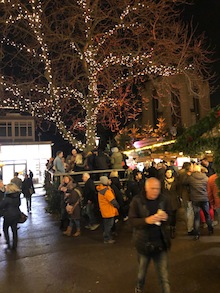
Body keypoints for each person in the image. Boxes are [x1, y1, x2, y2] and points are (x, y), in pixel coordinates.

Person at [129, 177, 171, 293]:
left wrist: (166, 217)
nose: (155, 191)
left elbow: (170, 217)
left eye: (157, 188)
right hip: (144, 244)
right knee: (141, 273)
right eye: (153, 188)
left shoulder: (163, 199)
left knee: (163, 277)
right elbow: (132, 221)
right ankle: (138, 288)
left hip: (160, 244)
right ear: (146, 188)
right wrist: (147, 220)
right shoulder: (137, 201)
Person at [183, 164, 213, 240]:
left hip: (195, 199)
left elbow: (184, 183)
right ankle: (210, 229)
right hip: (204, 198)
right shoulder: (206, 177)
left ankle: (197, 234)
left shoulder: (191, 178)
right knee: (207, 215)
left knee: (197, 217)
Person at [96, 176, 119, 244]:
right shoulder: (106, 191)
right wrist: (117, 206)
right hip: (109, 211)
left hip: (104, 211)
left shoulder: (100, 190)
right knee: (109, 225)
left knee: (106, 225)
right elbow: (113, 201)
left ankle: (106, 236)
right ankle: (107, 238)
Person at [0, 183, 21, 250]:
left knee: (5, 228)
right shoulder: (17, 196)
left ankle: (8, 243)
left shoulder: (7, 197)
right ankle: (14, 245)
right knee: (14, 229)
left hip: (8, 215)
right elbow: (19, 204)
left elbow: (1, 206)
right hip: (16, 214)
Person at [161, 169, 181, 238]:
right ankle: (167, 229)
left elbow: (179, 190)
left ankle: (172, 229)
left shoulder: (176, 181)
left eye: (170, 172)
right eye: (167, 172)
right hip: (165, 201)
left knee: (173, 216)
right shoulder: (162, 181)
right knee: (166, 215)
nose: (169, 174)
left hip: (174, 200)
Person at [178, 162, 194, 235]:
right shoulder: (185, 174)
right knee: (189, 211)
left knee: (186, 210)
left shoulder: (180, 173)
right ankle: (190, 228)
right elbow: (184, 182)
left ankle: (189, 226)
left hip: (182, 194)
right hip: (186, 194)